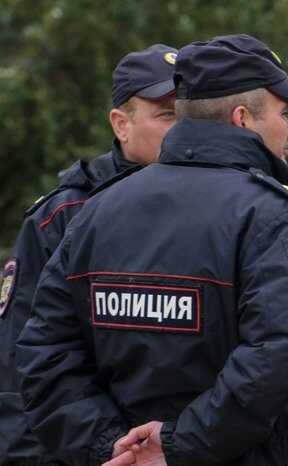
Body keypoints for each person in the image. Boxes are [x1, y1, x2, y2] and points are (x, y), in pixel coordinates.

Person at [15, 34, 288, 466]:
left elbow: (44, 352)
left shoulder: (97, 209)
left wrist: (112, 446)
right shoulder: (271, 213)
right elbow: (278, 354)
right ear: (242, 119)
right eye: (283, 113)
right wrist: (175, 447)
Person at [0, 43, 177, 465]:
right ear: (121, 124)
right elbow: (17, 369)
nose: (183, 129)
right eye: (167, 115)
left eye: (191, 115)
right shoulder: (61, 218)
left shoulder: (231, 210)